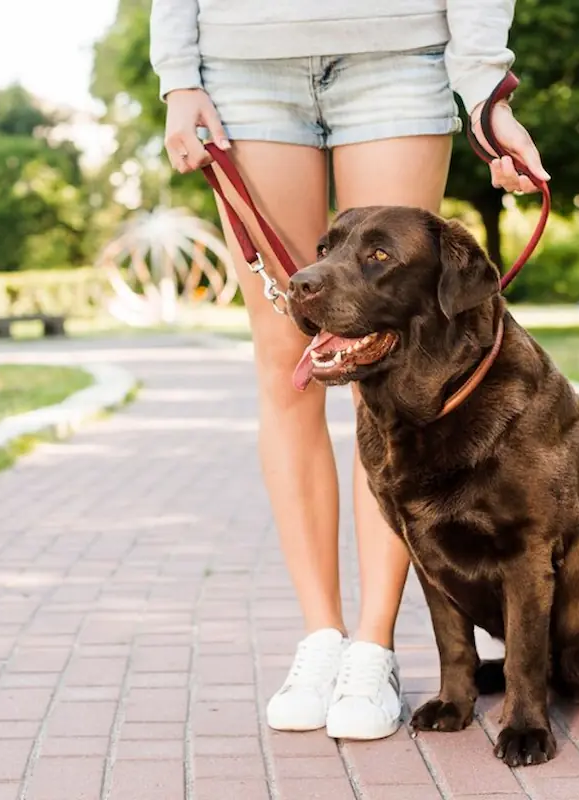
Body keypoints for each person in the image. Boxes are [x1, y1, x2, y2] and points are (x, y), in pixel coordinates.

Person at [149, 1, 550, 741]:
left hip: (397, 53)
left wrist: (487, 91)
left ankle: (373, 648)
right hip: (243, 64)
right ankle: (321, 638)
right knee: (285, 357)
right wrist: (178, 76)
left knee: (395, 362)